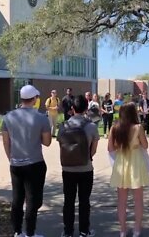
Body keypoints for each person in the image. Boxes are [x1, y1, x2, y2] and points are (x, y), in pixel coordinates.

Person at [2, 85, 51, 237]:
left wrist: (11, 157)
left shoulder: (8, 117)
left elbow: (6, 141)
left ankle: (17, 231)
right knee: (32, 200)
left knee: (17, 198)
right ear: (35, 99)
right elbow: (47, 142)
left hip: (15, 163)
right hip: (35, 163)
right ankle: (30, 233)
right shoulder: (41, 117)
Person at [58, 95, 99, 237]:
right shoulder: (92, 126)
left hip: (67, 168)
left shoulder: (63, 126)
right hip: (86, 168)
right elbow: (93, 150)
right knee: (84, 201)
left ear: (72, 109)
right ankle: (84, 231)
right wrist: (87, 157)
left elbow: (61, 145)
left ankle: (68, 231)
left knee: (68, 201)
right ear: (86, 108)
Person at [108, 103, 149, 237]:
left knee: (122, 201)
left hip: (121, 163)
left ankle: (122, 230)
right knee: (138, 200)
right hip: (136, 163)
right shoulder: (138, 128)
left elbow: (110, 148)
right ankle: (137, 229)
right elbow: (145, 145)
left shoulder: (115, 127)